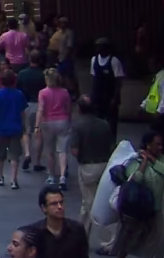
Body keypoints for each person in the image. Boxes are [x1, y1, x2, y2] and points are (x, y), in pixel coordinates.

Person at [106, 130, 164, 258]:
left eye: (161, 145)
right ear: (148, 145)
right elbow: (136, 179)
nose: (160, 147)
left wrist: (152, 160)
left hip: (154, 209)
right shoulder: (134, 160)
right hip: (135, 210)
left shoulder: (161, 159)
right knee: (127, 241)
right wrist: (144, 162)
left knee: (157, 242)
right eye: (157, 144)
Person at [70, 96, 115, 237]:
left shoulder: (78, 126)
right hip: (105, 165)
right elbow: (112, 145)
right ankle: (82, 234)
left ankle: (112, 237)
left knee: (90, 203)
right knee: (91, 201)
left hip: (88, 166)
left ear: (79, 108)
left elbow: (75, 150)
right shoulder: (104, 124)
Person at [0, 69, 28, 190]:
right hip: (16, 128)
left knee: (0, 154)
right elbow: (23, 112)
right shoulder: (19, 94)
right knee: (14, 155)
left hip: (1, 128)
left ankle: (0, 176)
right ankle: (14, 180)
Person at [37, 68, 74, 190]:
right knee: (62, 150)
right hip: (63, 121)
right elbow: (69, 109)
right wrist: (69, 120)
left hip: (48, 122)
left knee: (50, 151)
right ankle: (63, 176)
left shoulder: (43, 93)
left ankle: (51, 175)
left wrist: (37, 125)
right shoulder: (64, 92)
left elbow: (41, 109)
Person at [31, 185, 88, 258]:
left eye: (61, 202)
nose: (59, 207)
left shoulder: (77, 229)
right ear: (44, 208)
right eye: (54, 204)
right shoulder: (34, 233)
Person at [17, 51, 48, 174]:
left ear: (29, 59)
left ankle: (27, 153)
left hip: (26, 104)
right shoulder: (43, 75)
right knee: (38, 134)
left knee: (26, 132)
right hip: (40, 106)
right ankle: (37, 162)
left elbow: (18, 90)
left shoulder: (22, 74)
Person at [90, 39, 126, 139]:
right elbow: (93, 78)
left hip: (110, 97)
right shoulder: (94, 60)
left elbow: (119, 81)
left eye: (100, 46)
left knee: (111, 123)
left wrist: (115, 98)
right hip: (98, 97)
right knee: (98, 122)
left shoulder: (114, 61)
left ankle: (111, 144)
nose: (97, 49)